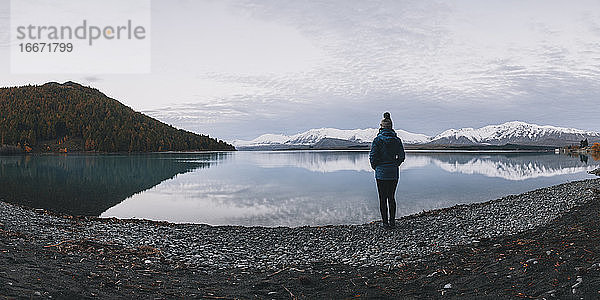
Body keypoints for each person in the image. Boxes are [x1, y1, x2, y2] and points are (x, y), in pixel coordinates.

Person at [369, 112, 405, 228]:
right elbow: (402, 157)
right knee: (391, 197)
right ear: (391, 127)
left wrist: (376, 167)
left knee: (382, 198)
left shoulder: (377, 140)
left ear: (381, 127)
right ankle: (392, 222)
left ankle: (385, 223)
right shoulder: (397, 140)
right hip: (393, 173)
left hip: (381, 173)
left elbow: (373, 157)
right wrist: (395, 165)